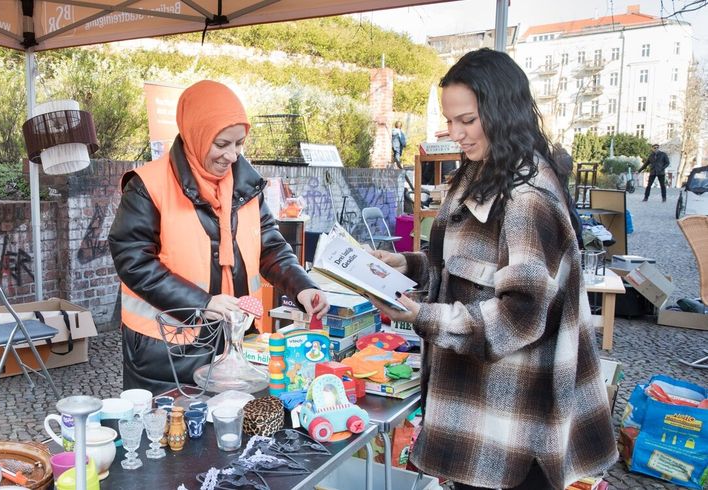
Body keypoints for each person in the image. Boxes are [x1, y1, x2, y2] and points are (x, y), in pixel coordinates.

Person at [369, 49, 616, 490]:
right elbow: (470, 270)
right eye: (450, 120)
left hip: (513, 426)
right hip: (480, 414)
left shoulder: (525, 196)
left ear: (502, 113)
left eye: (467, 120)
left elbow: (519, 316)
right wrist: (406, 264)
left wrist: (423, 317)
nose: (455, 133)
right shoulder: (478, 173)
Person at [108, 80, 329, 393]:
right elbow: (133, 261)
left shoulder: (246, 185)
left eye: (239, 143)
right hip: (168, 351)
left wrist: (302, 286)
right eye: (222, 144)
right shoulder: (147, 185)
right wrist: (202, 303)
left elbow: (271, 246)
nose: (233, 155)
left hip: (235, 342)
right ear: (195, 135)